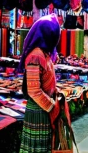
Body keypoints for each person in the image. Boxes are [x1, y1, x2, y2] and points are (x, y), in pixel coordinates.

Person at [19, 14, 61, 153]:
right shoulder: (36, 56)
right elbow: (34, 91)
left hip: (42, 110)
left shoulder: (43, 53)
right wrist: (52, 107)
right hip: (39, 111)